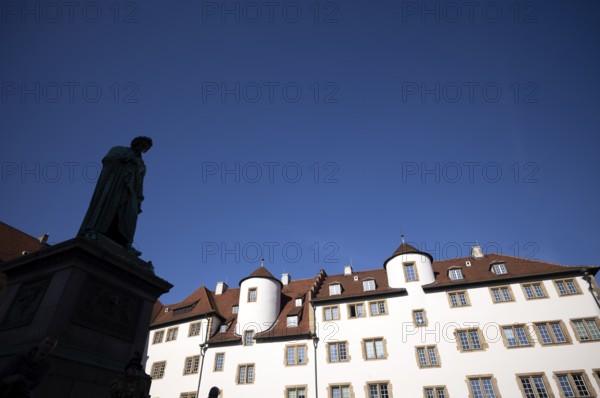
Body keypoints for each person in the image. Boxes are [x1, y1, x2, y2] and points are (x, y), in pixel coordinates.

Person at [78, 136, 153, 255]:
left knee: (130, 214)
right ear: (136, 143)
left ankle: (125, 242)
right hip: (114, 184)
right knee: (109, 206)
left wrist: (139, 198)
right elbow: (107, 160)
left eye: (146, 147)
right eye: (142, 144)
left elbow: (140, 183)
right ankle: (93, 230)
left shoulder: (142, 164)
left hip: (130, 191)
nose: (143, 148)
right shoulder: (119, 149)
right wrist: (126, 159)